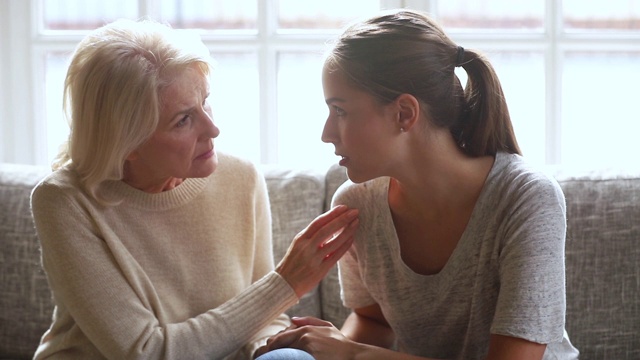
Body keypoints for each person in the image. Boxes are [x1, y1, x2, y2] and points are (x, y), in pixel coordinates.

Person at [258, 9, 580, 360]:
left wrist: (351, 354)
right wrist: (324, 348)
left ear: (404, 114)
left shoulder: (526, 198)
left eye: (340, 111)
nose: (326, 134)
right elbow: (374, 322)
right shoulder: (357, 205)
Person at [30, 19, 359, 360]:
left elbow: (265, 320)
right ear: (127, 142)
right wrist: (283, 285)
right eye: (183, 120)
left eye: (206, 101)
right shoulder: (64, 201)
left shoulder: (241, 177)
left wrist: (276, 347)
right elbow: (147, 352)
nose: (213, 129)